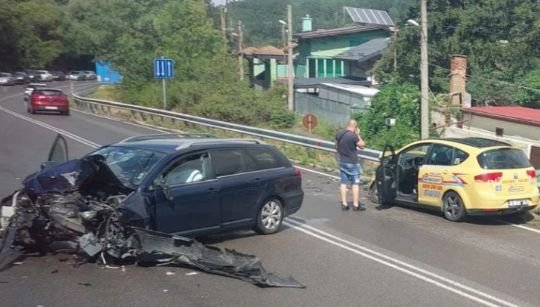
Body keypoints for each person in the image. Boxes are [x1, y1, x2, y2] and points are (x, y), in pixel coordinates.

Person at [335, 119, 366, 211]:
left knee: (343, 183)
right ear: (355, 127)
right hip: (352, 162)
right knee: (355, 184)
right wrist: (358, 134)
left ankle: (344, 204)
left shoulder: (339, 133)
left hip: (342, 161)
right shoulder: (353, 136)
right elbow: (362, 145)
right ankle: (356, 205)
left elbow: (336, 145)